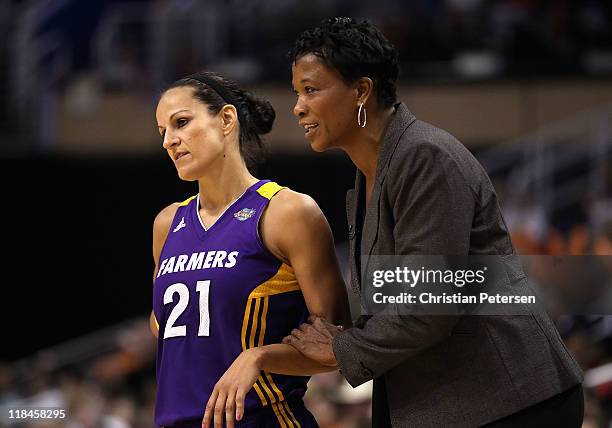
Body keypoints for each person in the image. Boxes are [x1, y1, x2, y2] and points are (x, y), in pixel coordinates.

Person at [284, 17, 584, 427]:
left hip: (511, 401)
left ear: (361, 91)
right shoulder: (372, 173)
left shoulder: (425, 157)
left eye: (311, 90)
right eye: (298, 92)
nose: (298, 106)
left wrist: (342, 349)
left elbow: (430, 305)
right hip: (461, 400)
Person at [151, 70, 351, 428]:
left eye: (181, 122)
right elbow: (166, 326)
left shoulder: (287, 212)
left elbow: (336, 347)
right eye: (163, 131)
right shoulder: (167, 223)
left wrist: (259, 356)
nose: (169, 141)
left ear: (226, 119)